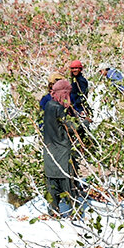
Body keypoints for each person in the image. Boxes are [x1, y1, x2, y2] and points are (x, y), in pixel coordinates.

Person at [42, 78, 79, 216]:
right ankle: (74, 215)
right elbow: (72, 127)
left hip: (50, 152)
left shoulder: (49, 105)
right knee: (68, 185)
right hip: (62, 153)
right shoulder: (58, 108)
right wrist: (83, 122)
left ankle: (53, 213)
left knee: (52, 186)